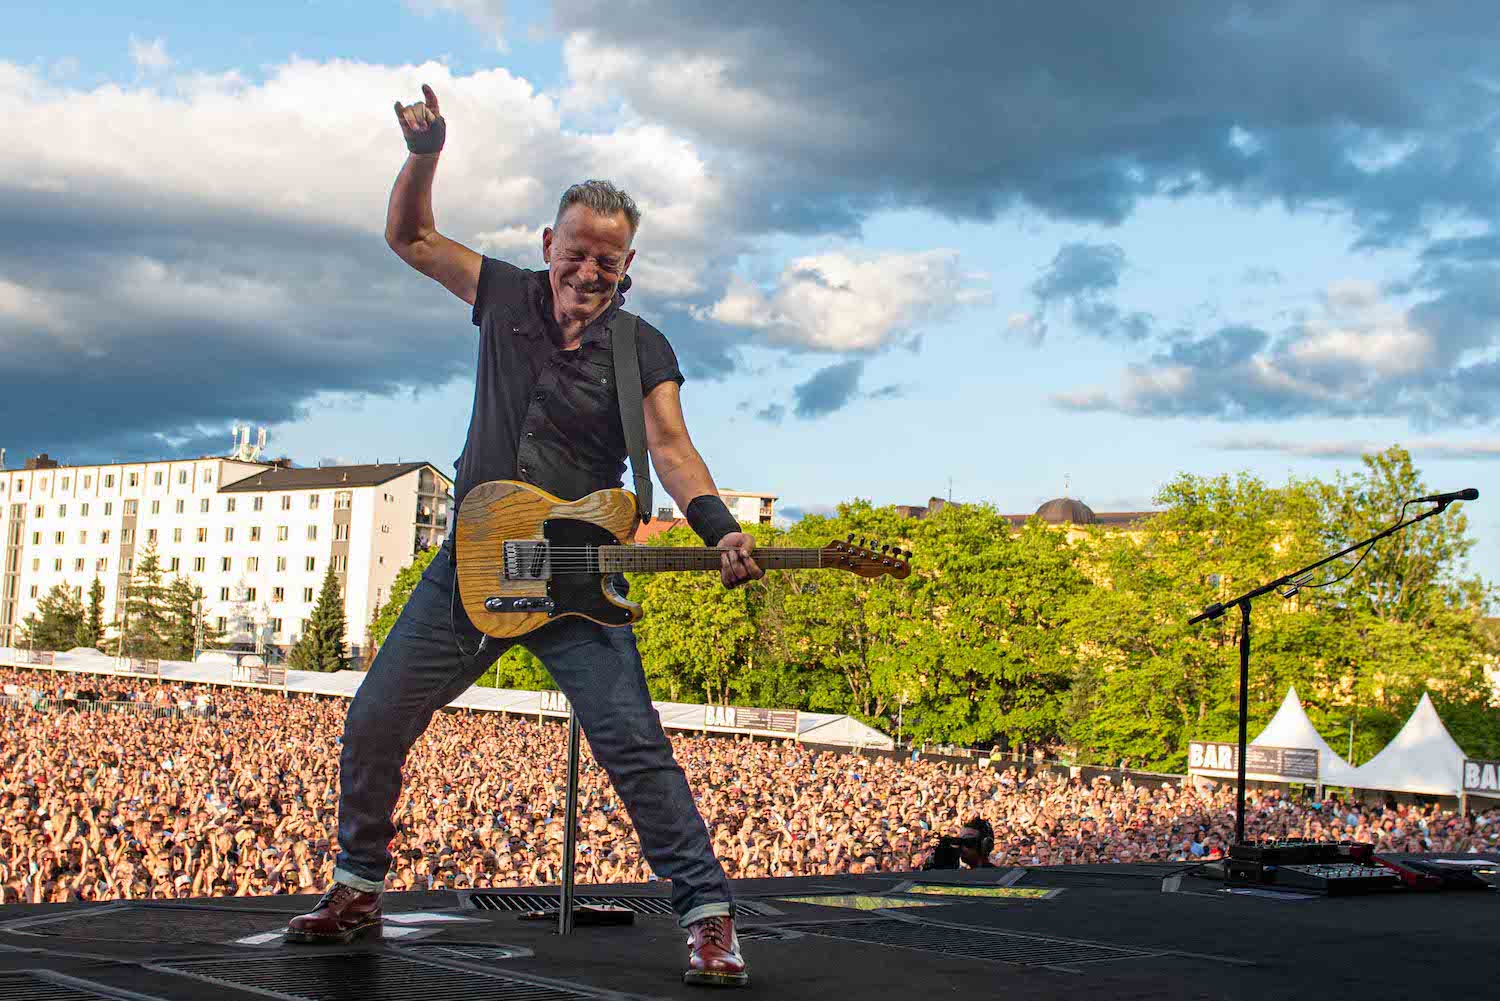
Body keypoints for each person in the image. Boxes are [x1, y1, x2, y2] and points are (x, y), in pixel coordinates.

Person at [285, 84, 761, 989]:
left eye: (609, 262)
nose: (590, 270)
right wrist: (426, 154)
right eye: (577, 251)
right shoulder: (502, 293)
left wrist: (721, 527)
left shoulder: (642, 346)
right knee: (377, 714)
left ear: (629, 269)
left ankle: (707, 916)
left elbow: (671, 445)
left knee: (632, 742)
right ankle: (356, 889)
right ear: (549, 246)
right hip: (470, 562)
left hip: (574, 572)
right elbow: (411, 239)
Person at [921, 817, 998, 870]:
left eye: (968, 842)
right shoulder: (959, 872)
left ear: (986, 845)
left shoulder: (998, 876)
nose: (962, 847)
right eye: (959, 841)